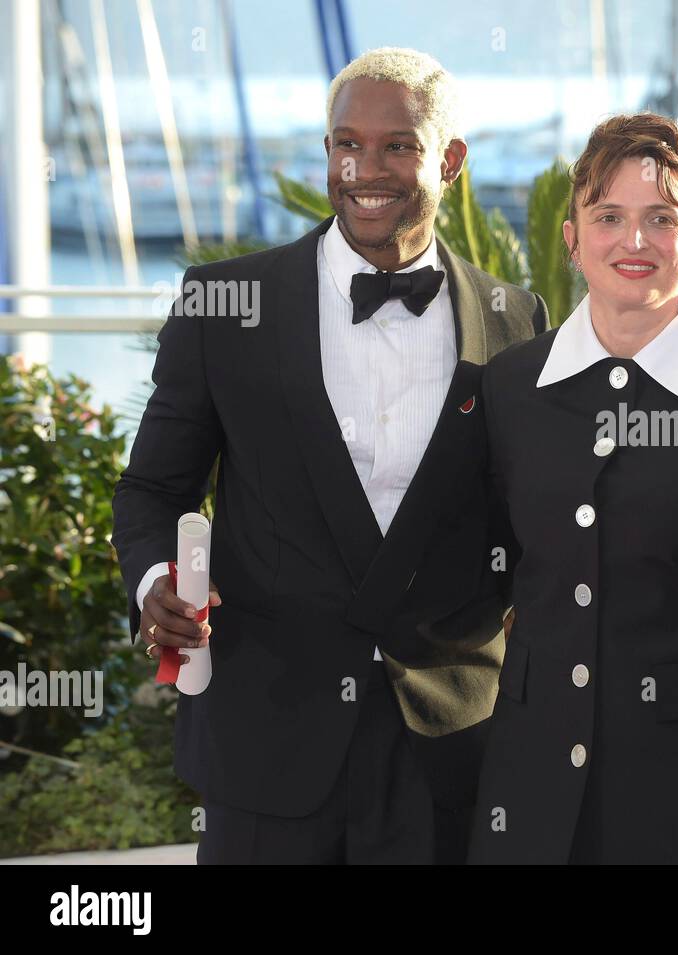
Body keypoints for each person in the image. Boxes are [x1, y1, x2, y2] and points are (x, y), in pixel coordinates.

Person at [111, 48, 546, 864]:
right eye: (346, 144)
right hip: (265, 742)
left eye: (397, 146)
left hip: (448, 746)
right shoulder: (223, 305)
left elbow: (528, 524)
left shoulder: (516, 319)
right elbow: (149, 491)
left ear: (450, 160)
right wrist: (154, 582)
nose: (364, 169)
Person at [467, 113, 678, 864]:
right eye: (609, 217)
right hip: (529, 796)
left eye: (662, 218)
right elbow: (478, 567)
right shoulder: (512, 388)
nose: (634, 241)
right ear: (571, 236)